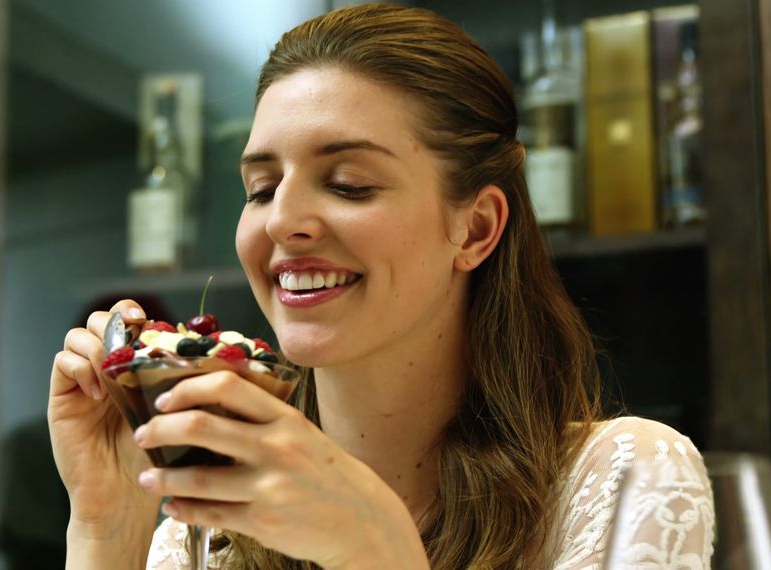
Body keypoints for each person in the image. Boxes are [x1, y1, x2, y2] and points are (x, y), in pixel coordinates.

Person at [49, 4, 715, 569]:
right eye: (261, 188)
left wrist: (380, 550)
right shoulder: (197, 537)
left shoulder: (624, 480)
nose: (282, 219)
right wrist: (107, 530)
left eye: (349, 185)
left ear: (476, 229)